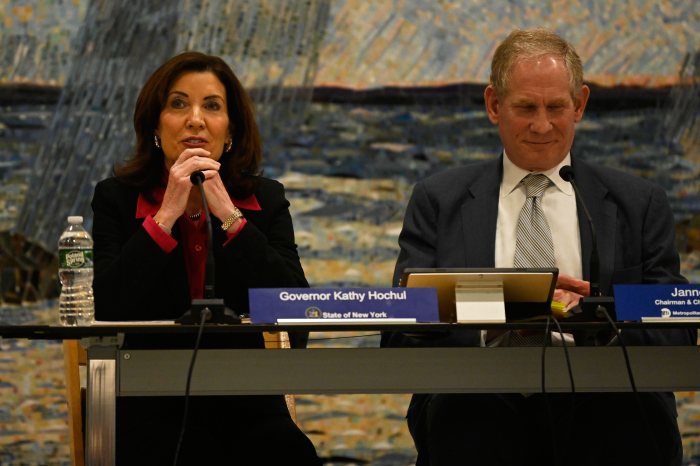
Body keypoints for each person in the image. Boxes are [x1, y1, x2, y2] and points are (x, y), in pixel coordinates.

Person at [382, 28, 696, 466]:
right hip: (480, 405)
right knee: (470, 417)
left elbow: (675, 328)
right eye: (526, 107)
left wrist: (597, 317)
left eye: (557, 108)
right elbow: (402, 329)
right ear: (494, 105)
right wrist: (514, 303)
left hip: (605, 405)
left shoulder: (638, 202)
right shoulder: (439, 200)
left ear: (581, 104)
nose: (542, 125)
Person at [91, 51, 320, 465]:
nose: (195, 119)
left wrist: (230, 217)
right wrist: (165, 216)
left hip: (246, 398)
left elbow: (297, 310)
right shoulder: (116, 198)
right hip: (151, 399)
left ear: (230, 131)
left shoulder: (264, 199)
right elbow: (106, 306)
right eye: (178, 104)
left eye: (212, 106)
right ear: (155, 126)